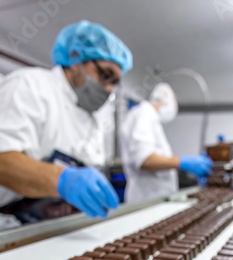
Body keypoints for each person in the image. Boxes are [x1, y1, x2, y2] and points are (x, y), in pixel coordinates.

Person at [0, 20, 133, 220]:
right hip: (14, 226)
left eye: (114, 83)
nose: (108, 89)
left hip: (61, 225)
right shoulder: (30, 86)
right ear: (75, 58)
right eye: (105, 75)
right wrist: (61, 180)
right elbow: (3, 161)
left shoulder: (93, 117)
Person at [121, 83, 213, 203]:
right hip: (146, 199)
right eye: (174, 101)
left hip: (155, 198)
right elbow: (144, 160)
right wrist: (182, 162)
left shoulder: (150, 118)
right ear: (164, 99)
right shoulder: (144, 114)